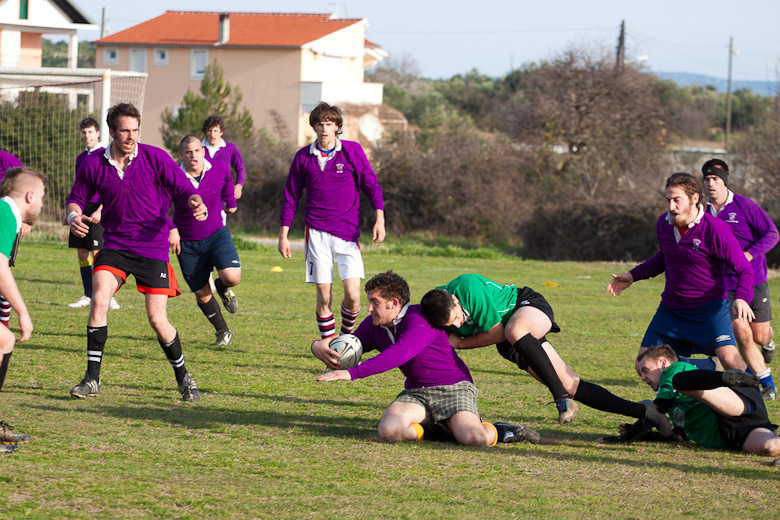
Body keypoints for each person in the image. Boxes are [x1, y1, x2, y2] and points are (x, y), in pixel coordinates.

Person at [65, 103, 208, 402]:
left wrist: (195, 201)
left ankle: (184, 378)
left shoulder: (154, 157)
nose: (131, 137)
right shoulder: (93, 164)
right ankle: (92, 379)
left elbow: (183, 188)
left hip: (152, 247)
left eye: (135, 130)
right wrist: (73, 217)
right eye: (125, 131)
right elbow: (76, 198)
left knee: (157, 320)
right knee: (100, 297)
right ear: (112, 131)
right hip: (115, 245)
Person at [314, 271, 540, 446]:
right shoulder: (374, 326)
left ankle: (502, 431)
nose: (369, 308)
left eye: (374, 302)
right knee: (389, 431)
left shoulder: (419, 317)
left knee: (474, 439)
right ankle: (437, 429)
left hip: (455, 387)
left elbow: (401, 352)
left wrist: (353, 373)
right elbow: (350, 347)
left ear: (393, 303)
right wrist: (318, 347)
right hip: (417, 391)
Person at [420, 274, 670, 429]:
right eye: (450, 325)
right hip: (511, 342)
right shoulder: (435, 311)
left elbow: (497, 332)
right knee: (572, 384)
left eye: (457, 318)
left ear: (454, 299)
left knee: (515, 330)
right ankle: (645, 412)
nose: (457, 325)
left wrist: (461, 343)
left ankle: (561, 399)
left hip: (526, 306)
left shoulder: (467, 287)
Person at [607, 172, 754, 372]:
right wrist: (633, 275)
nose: (671, 207)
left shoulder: (716, 229)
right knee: (645, 365)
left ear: (694, 198)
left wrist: (742, 297)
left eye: (677, 200)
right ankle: (690, 385)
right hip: (672, 310)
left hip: (709, 309)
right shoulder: (664, 224)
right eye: (668, 200)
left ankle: (752, 396)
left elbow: (744, 270)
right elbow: (665, 257)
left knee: (730, 360)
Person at [279, 102, 385, 339]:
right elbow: (290, 198)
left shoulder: (352, 151)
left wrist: (380, 219)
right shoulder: (303, 157)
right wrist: (283, 235)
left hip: (347, 235)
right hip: (316, 234)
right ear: (314, 127)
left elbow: (372, 187)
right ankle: (330, 347)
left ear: (337, 126)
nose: (324, 128)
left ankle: (346, 340)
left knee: (354, 296)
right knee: (324, 297)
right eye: (320, 124)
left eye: (329, 124)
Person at [599, 345, 780, 458]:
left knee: (681, 382)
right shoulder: (673, 402)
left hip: (734, 401)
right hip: (734, 434)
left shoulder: (674, 371)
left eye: (646, 370)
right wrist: (646, 435)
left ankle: (725, 377)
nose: (643, 378)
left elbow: (658, 409)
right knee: (771, 447)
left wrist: (624, 439)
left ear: (663, 363)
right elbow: (678, 435)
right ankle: (723, 377)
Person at [703, 159, 778, 400]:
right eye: (707, 179)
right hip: (725, 286)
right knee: (740, 329)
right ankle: (766, 382)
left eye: (715, 179)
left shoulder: (745, 206)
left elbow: (772, 234)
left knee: (759, 335)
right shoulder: (702, 212)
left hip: (754, 280)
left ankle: (768, 342)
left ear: (725, 181)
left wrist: (747, 255)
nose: (710, 183)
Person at [169, 135, 240, 347]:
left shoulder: (218, 167)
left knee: (232, 276)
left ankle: (223, 286)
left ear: (203, 152)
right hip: (187, 242)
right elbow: (160, 204)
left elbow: (228, 183)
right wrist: (170, 229)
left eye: (197, 150)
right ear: (182, 154)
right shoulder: (173, 175)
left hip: (216, 233)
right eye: (188, 152)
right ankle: (223, 331)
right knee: (201, 293)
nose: (193, 155)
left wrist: (231, 202)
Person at [0, 166, 48, 452]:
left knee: (3, 339)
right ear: (30, 196)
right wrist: (23, 311)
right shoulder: (6, 213)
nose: (42, 204)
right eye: (42, 197)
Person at [65, 118, 119, 310]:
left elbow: (112, 186)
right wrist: (70, 211)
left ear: (98, 133)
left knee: (99, 253)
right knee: (82, 252)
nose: (86, 136)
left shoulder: (105, 155)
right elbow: (77, 189)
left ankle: (108, 295)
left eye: (90, 132)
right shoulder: (81, 158)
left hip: (99, 208)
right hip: (82, 210)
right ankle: (88, 294)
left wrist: (100, 210)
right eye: (84, 132)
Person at [0, 150, 25, 330]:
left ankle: (4, 325)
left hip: (5, 224)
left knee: (3, 272)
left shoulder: (6, 158)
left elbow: (26, 184)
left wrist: (25, 218)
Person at [202, 115, 246, 200]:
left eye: (215, 130)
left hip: (223, 198)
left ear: (221, 132)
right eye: (209, 131)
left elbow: (240, 168)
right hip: (203, 197)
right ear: (205, 132)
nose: (212, 134)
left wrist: (239, 185)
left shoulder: (230, 148)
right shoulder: (198, 149)